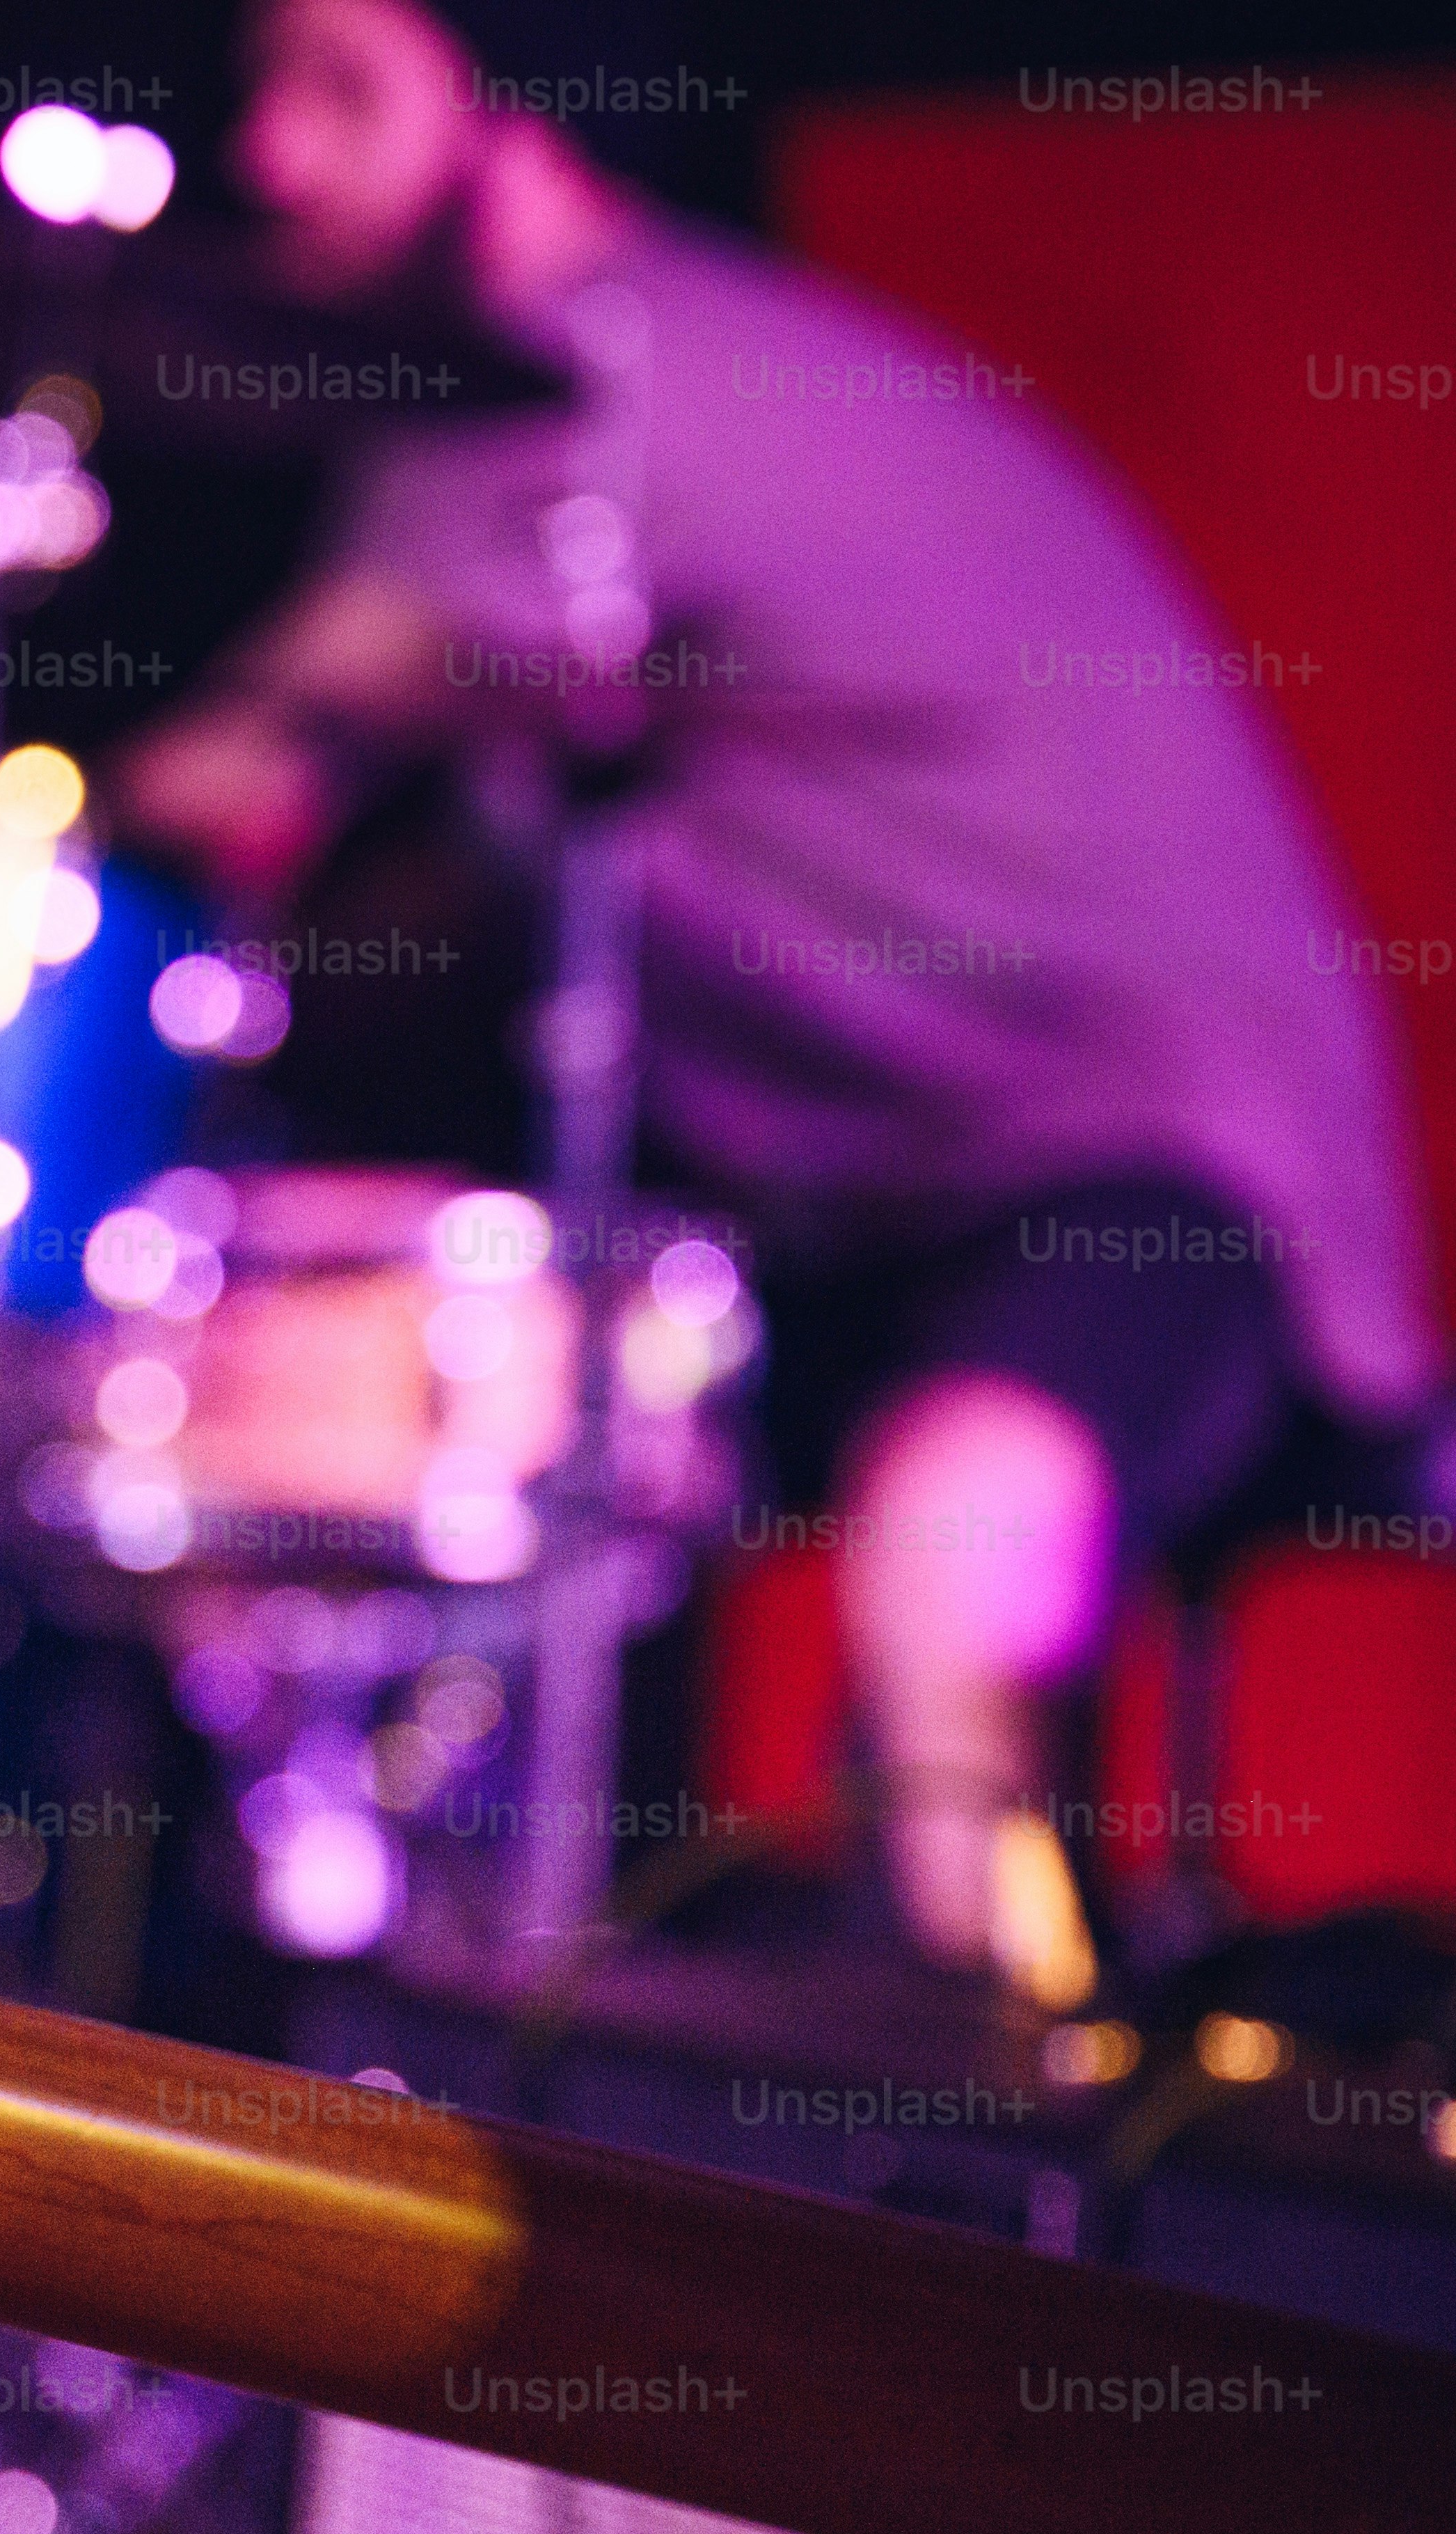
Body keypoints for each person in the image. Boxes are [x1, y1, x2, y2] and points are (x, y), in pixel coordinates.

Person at [112, 0, 1441, 1973]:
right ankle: (417, 2061)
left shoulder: (600, 399)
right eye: (259, 95)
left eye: (342, 90)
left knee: (947, 1535)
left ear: (519, 120)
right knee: (324, 1424)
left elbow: (230, 780)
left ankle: (1003, 2177)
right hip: (846, 1217)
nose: (271, 157)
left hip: (1162, 1175)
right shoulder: (519, 405)